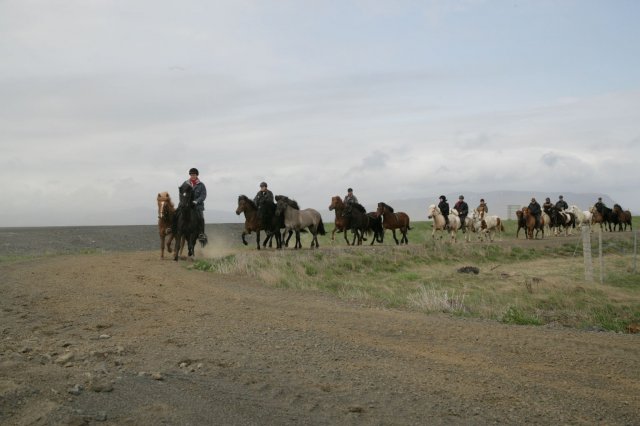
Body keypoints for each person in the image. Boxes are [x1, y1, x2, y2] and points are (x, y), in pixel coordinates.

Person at [180, 167, 207, 240]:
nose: (192, 176)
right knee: (178, 214)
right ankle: (176, 229)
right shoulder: (185, 183)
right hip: (186, 205)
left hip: (197, 206)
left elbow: (203, 195)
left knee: (201, 218)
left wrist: (196, 201)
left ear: (197, 175)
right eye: (191, 175)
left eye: (194, 174)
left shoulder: (201, 185)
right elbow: (182, 192)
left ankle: (201, 234)